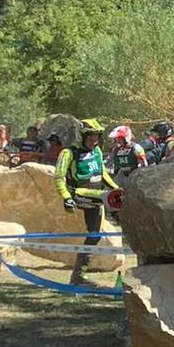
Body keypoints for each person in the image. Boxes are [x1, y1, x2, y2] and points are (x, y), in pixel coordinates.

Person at [55, 120, 117, 285]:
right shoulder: (68, 153)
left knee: (94, 236)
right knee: (107, 198)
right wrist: (66, 197)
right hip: (78, 194)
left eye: (96, 137)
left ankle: (78, 275)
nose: (94, 141)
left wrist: (118, 190)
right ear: (82, 136)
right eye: (90, 137)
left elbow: (103, 174)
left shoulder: (97, 151)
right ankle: (116, 211)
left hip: (97, 197)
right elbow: (59, 177)